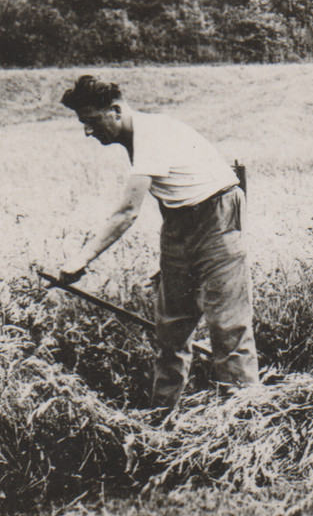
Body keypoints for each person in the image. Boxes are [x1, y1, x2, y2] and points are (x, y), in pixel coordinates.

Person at [54, 75, 260, 406]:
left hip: (218, 216)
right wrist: (173, 262)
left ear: (116, 110)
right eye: (83, 123)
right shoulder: (133, 138)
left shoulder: (151, 134)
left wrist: (80, 260)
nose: (88, 131)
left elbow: (127, 212)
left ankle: (243, 422)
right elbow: (171, 194)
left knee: (228, 328)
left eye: (92, 121)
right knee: (170, 329)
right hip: (180, 225)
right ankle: (161, 420)